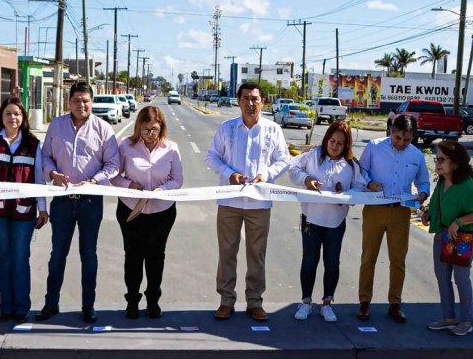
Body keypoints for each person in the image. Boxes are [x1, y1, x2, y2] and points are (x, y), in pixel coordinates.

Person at [204, 82, 290, 322]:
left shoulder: (273, 130)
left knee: (256, 254)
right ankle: (226, 300)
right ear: (238, 101)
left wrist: (266, 175)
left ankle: (254, 301)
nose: (250, 103)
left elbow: (283, 160)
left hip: (259, 204)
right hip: (229, 201)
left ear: (263, 102)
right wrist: (229, 174)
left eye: (255, 99)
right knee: (227, 252)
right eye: (245, 99)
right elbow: (211, 157)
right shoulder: (226, 128)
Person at [37, 81, 120, 324]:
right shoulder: (57, 125)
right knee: (57, 255)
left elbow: (113, 165)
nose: (81, 105)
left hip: (91, 202)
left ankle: (88, 306)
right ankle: (51, 303)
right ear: (69, 102)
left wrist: (94, 181)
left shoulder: (104, 129)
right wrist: (53, 174)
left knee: (89, 255)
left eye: (85, 100)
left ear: (91, 102)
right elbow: (46, 156)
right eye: (76, 100)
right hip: (62, 201)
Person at [289, 121, 367, 323]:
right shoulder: (314, 155)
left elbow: (361, 187)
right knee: (309, 261)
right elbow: (293, 168)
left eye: (340, 143)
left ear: (346, 146)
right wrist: (307, 180)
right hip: (311, 220)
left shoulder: (351, 165)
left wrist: (346, 193)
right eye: (332, 141)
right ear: (327, 139)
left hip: (335, 222)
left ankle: (327, 303)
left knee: (332, 263)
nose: (334, 146)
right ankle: (306, 302)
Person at [0, 96, 49, 324]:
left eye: (17, 114)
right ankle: (5, 307)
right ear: (1, 116)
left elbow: (39, 177)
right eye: (8, 113)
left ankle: (21, 308)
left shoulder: (33, 144)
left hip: (24, 210)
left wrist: (42, 208)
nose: (13, 118)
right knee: (5, 257)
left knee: (20, 257)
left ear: (23, 117)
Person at [111, 105, 184, 319]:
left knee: (156, 257)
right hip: (131, 209)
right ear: (138, 128)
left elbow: (178, 179)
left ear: (161, 127)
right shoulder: (126, 146)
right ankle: (132, 301)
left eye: (154, 129)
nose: (150, 135)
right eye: (145, 130)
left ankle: (153, 301)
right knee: (133, 256)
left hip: (162, 211)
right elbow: (114, 176)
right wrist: (129, 184)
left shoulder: (171, 148)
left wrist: (163, 190)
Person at [357, 113, 430, 323]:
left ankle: (395, 303)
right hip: (375, 209)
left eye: (407, 139)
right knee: (368, 257)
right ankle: (364, 302)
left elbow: (423, 181)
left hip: (401, 211)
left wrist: (423, 193)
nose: (401, 143)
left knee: (398, 260)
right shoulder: (374, 146)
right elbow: (361, 170)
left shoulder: (416, 155)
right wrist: (369, 183)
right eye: (398, 138)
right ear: (391, 131)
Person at [421, 140, 473, 336]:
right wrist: (429, 214)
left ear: (456, 162)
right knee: (442, 278)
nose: (438, 163)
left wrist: (458, 222)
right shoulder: (443, 181)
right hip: (442, 237)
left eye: (442, 159)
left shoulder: (467, 185)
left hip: (464, 240)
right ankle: (449, 318)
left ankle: (466, 321)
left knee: (461, 278)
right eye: (437, 159)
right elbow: (438, 204)